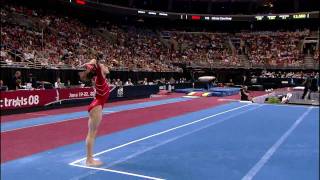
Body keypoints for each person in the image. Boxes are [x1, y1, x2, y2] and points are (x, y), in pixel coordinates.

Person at [79, 57, 110, 167]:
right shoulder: (100, 77)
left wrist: (89, 65)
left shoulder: (99, 77)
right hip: (96, 106)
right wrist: (90, 63)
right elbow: (95, 61)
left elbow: (96, 63)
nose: (107, 67)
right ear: (100, 69)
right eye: (104, 66)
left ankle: (90, 158)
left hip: (97, 105)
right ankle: (89, 160)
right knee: (91, 134)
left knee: (92, 134)